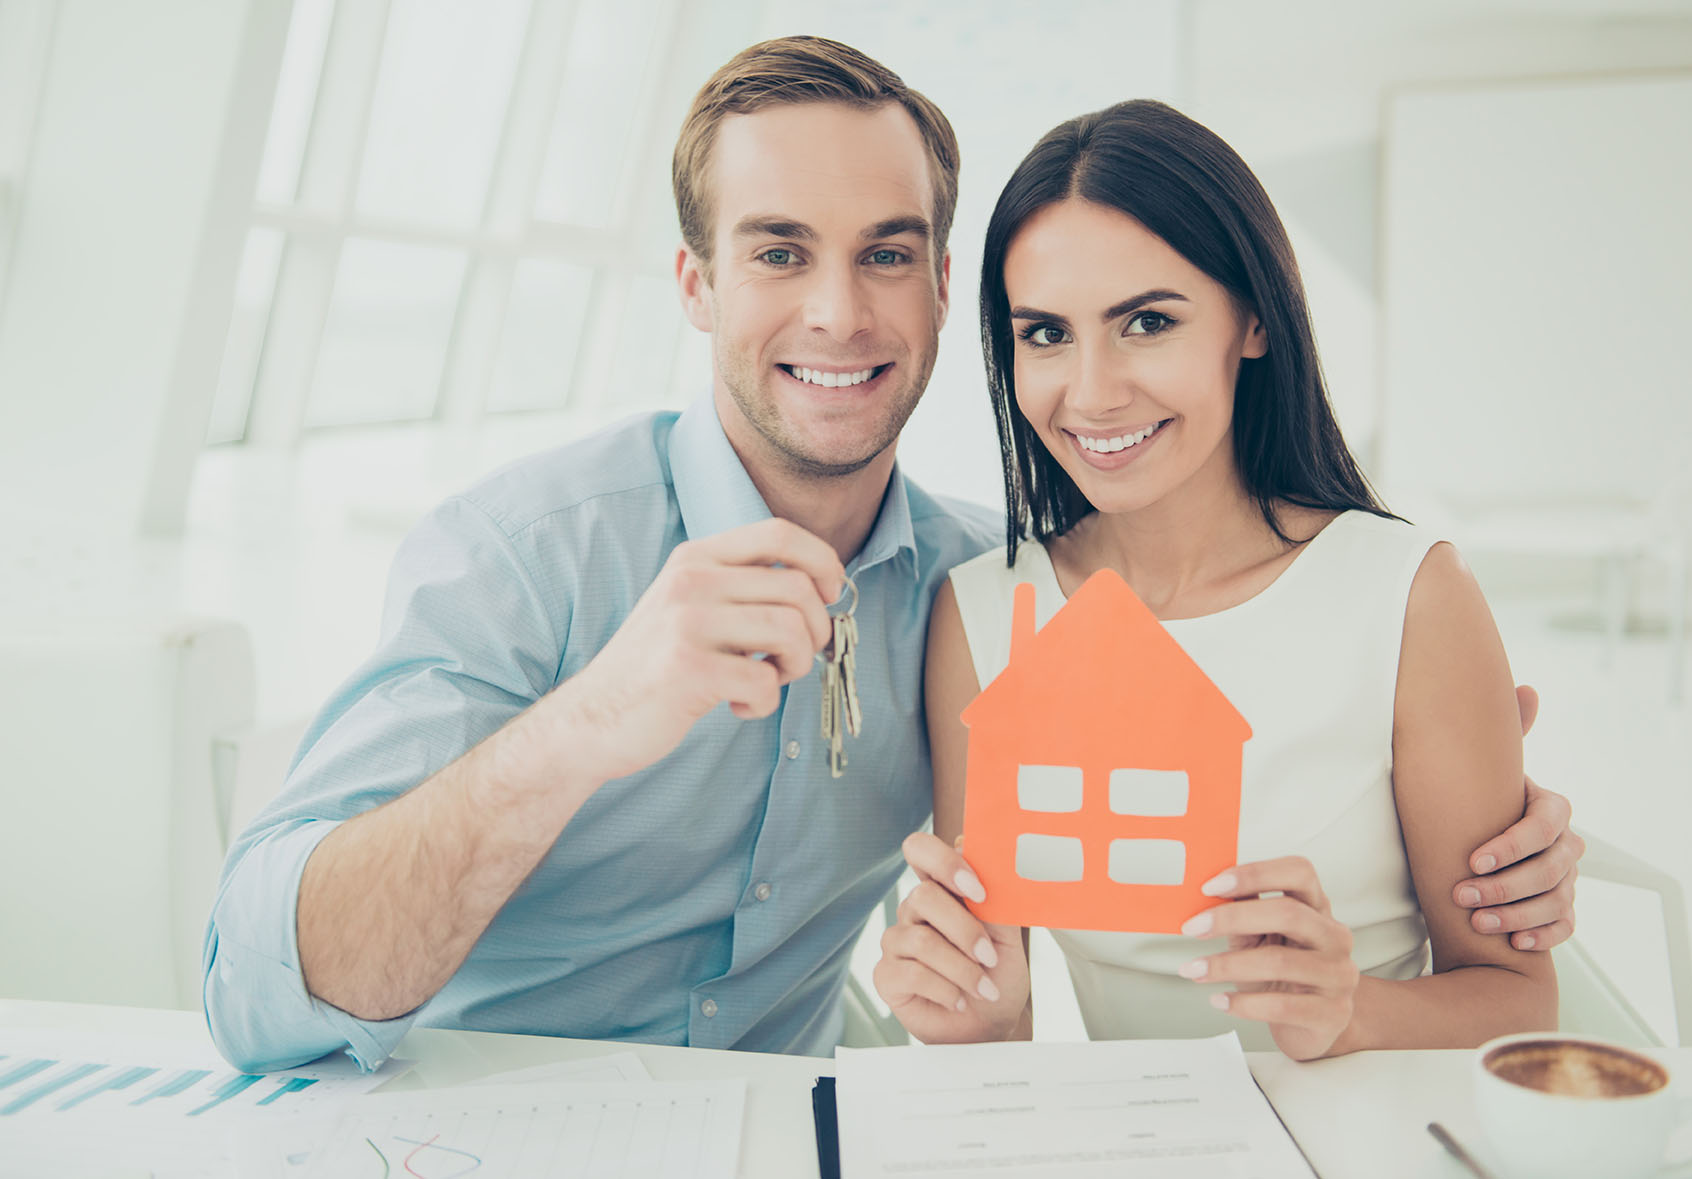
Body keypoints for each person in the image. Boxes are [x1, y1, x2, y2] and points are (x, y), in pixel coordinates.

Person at [203, 40, 1580, 1074]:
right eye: (778, 250)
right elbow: (251, 989)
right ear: (695, 283)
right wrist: (592, 722)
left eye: (887, 253)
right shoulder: (521, 553)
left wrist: (1493, 822)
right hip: (458, 1121)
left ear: (936, 287)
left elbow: (1028, 968)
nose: (836, 310)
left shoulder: (973, 594)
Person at [875, 99, 1561, 1060]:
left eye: (1146, 321)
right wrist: (972, 1014)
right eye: (1045, 333)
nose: (1093, 390)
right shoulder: (986, 616)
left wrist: (1348, 1011)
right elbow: (1003, 1022)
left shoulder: (1409, 595)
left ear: (1253, 320)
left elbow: (1520, 999)